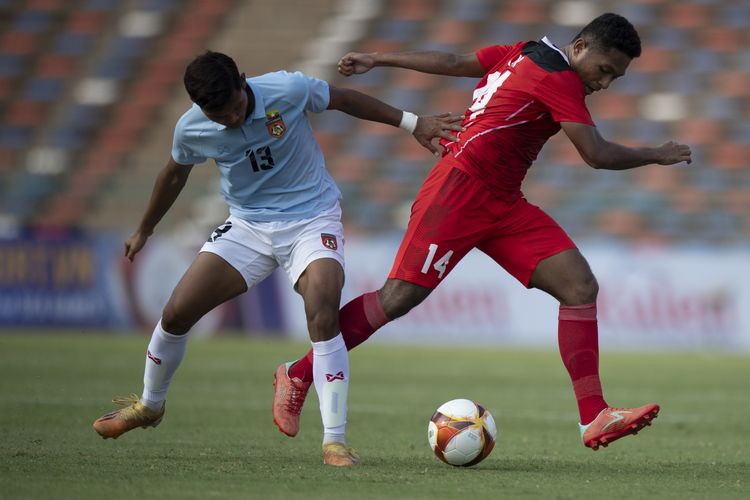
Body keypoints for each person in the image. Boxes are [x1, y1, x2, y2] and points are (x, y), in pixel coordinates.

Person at [272, 13, 692, 451]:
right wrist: (657, 155)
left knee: (579, 286)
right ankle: (298, 373)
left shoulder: (524, 51)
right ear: (581, 46)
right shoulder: (559, 78)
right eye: (605, 70)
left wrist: (379, 58)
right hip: (457, 193)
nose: (605, 83)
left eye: (615, 78)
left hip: (503, 201)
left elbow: (454, 61)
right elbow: (596, 154)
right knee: (397, 298)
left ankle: (594, 416)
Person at [91, 50, 463, 467]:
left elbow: (343, 99)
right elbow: (174, 174)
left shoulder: (287, 89)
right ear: (201, 109)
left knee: (322, 309)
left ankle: (334, 442)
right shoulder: (192, 127)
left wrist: (413, 123)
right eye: (220, 115)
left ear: (244, 82)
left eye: (235, 107)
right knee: (176, 313)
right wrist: (146, 227)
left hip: (311, 218)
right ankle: (150, 405)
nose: (231, 120)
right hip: (248, 226)